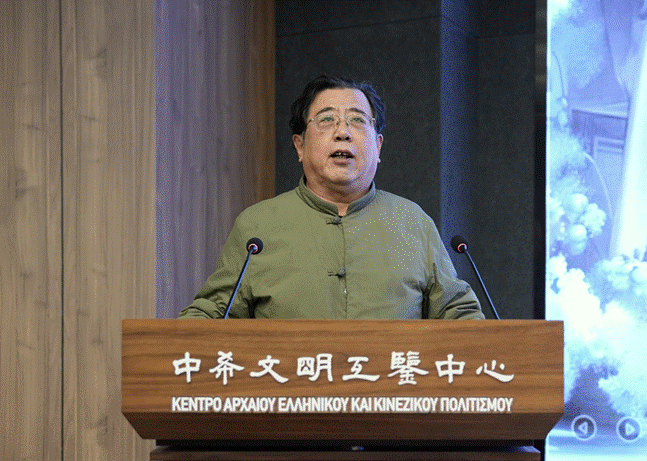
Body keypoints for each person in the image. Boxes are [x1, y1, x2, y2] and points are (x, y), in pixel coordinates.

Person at [178, 75, 484, 320]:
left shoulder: (413, 222)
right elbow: (213, 315)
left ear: (378, 146)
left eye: (357, 120)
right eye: (326, 119)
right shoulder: (257, 226)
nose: (343, 132)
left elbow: (459, 315)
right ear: (299, 146)